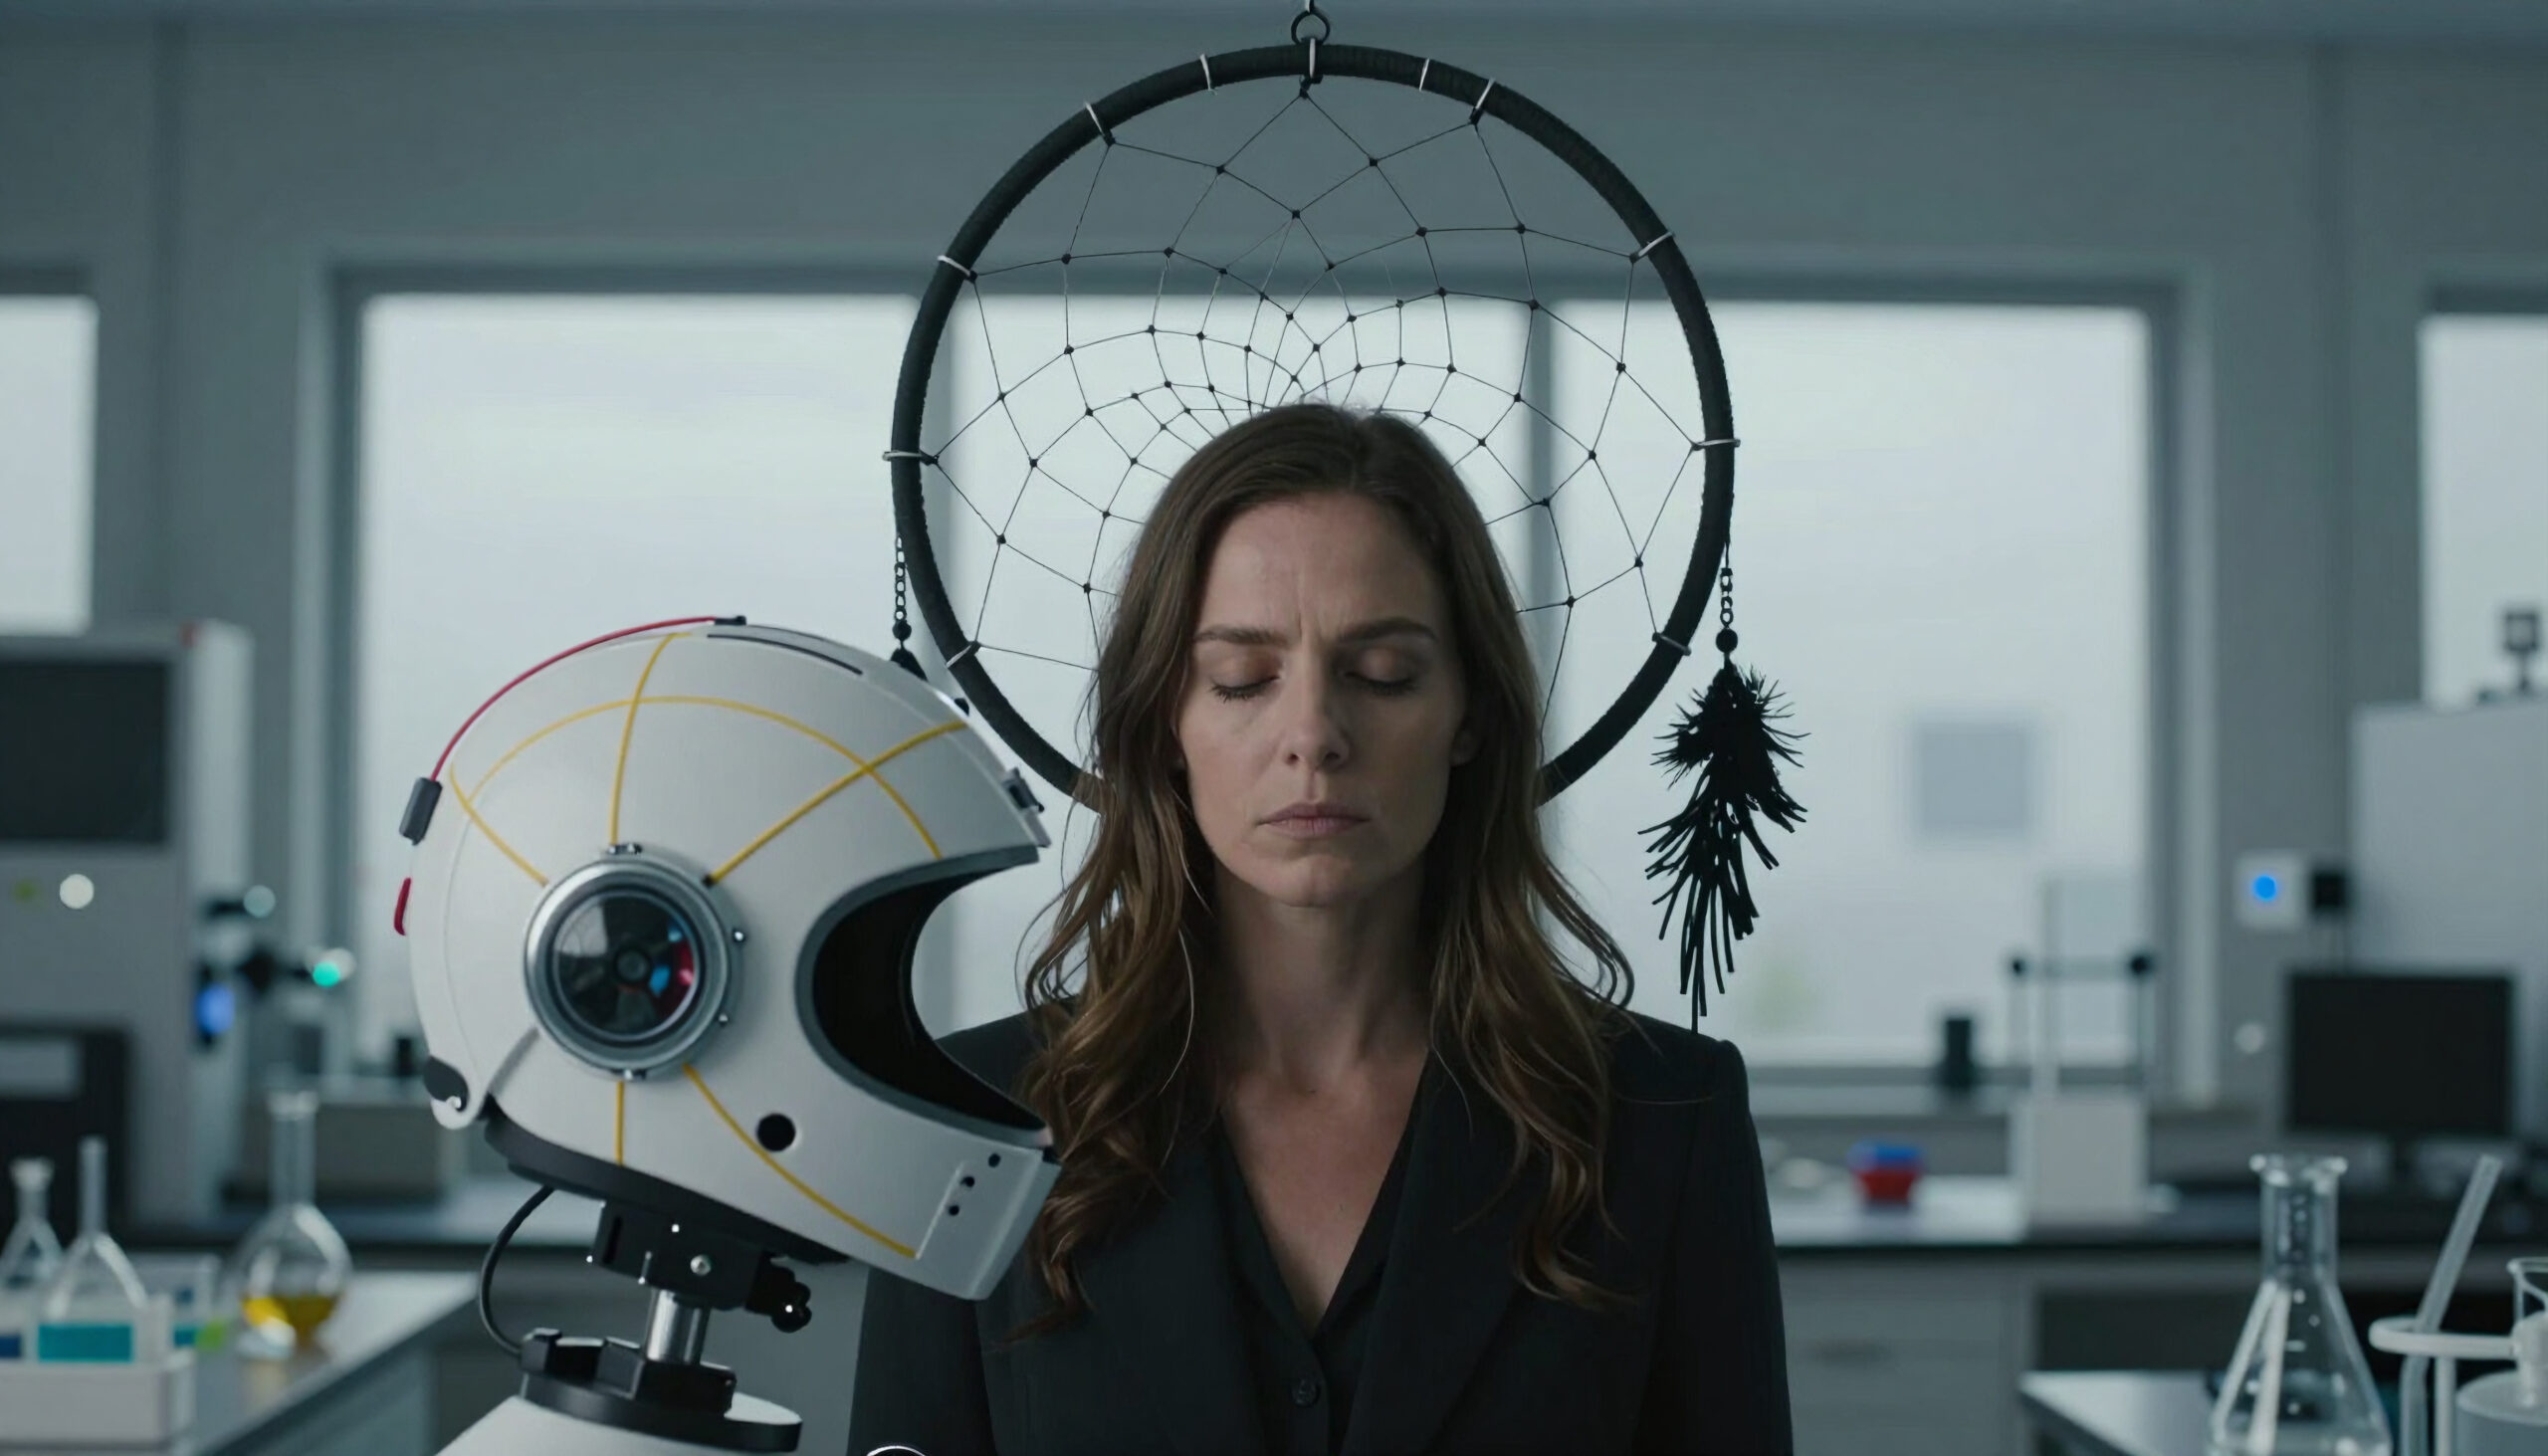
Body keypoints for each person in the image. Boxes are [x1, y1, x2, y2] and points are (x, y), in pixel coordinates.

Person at [848, 401, 1790, 1456]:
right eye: (1241, 679)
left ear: (1470, 714)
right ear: (1166, 720)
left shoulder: (1664, 1119)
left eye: (1382, 673)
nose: (1313, 735)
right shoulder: (967, 1123)